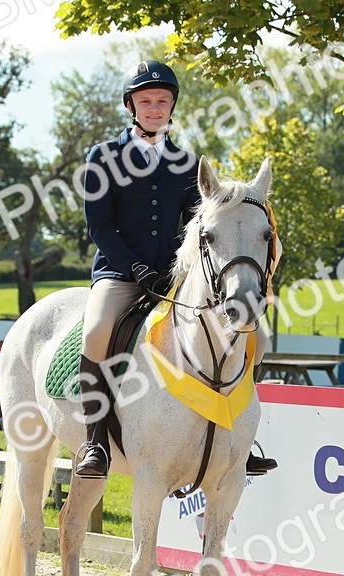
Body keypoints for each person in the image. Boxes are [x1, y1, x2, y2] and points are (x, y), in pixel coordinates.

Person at [74, 59, 275, 479]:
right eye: (145, 101)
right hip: (118, 274)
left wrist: (175, 271)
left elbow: (195, 225)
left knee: (254, 333)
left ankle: (241, 438)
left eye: (161, 101)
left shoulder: (186, 163)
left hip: (174, 277)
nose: (154, 108)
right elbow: (100, 225)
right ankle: (95, 442)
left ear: (171, 106)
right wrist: (135, 268)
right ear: (131, 106)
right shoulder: (103, 156)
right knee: (96, 331)